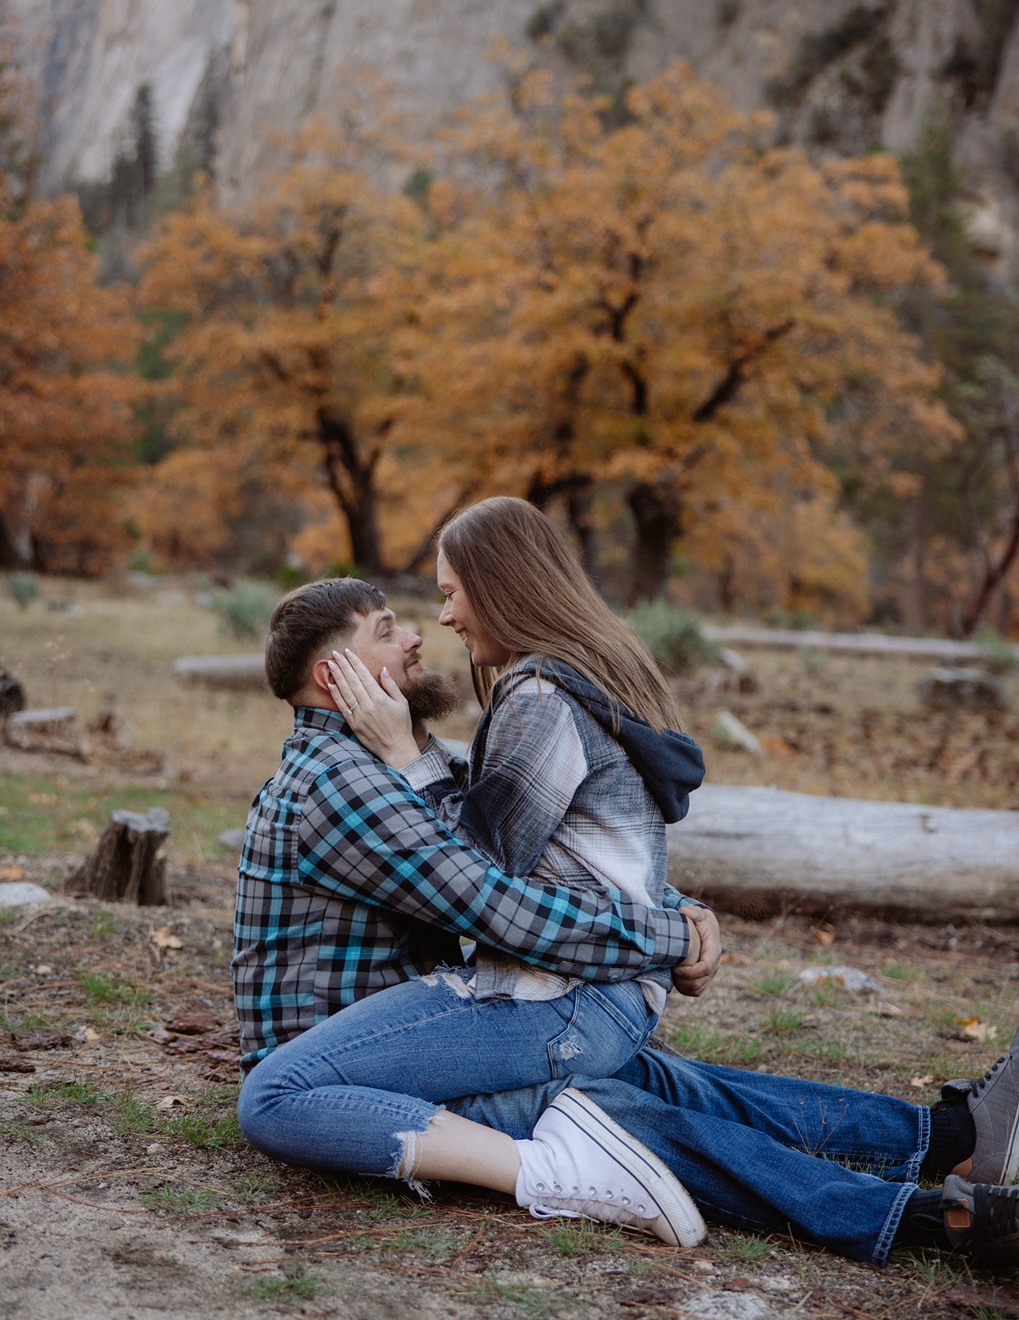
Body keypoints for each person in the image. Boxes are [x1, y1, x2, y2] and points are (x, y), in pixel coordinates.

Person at [235, 503, 1019, 1267]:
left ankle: (948, 1161)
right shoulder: (355, 775)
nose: (429, 628)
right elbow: (492, 889)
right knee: (654, 1104)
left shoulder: (489, 715)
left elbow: (511, 860)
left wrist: (669, 916)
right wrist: (669, 932)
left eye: (444, 596)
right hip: (359, 1080)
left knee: (648, 1101)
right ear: (331, 672)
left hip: (470, 1026)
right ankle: (939, 1195)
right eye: (390, 627)